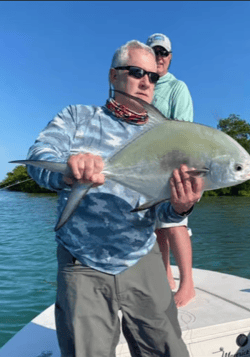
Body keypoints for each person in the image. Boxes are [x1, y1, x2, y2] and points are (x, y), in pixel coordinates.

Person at [26, 40, 203, 357]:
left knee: (169, 350)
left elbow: (161, 210)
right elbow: (40, 158)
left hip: (142, 255)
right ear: (113, 76)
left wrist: (180, 206)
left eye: (153, 76)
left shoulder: (161, 138)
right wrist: (68, 170)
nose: (146, 81)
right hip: (83, 261)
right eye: (136, 72)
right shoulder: (77, 117)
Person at [146, 33, 195, 308]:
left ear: (170, 57)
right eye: (154, 52)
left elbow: (183, 128)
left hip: (173, 165)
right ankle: (165, 274)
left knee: (176, 223)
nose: (159, 57)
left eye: (163, 53)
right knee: (156, 226)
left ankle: (187, 284)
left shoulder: (178, 87)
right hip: (147, 170)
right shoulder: (145, 85)